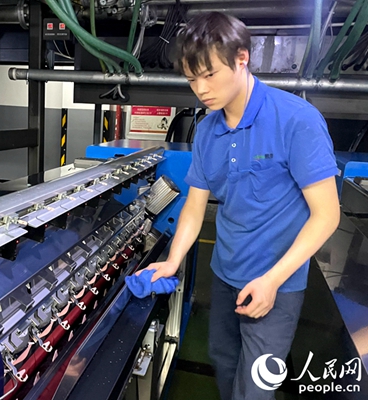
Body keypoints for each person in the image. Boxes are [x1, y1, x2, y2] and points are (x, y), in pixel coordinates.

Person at [139, 12, 341, 400]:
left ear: (242, 58)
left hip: (276, 284)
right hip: (225, 274)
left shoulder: (296, 120)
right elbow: (195, 205)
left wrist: (273, 280)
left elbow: (327, 215)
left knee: (255, 387)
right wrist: (172, 260)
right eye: (191, 79)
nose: (201, 89)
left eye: (209, 75)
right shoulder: (207, 131)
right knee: (224, 360)